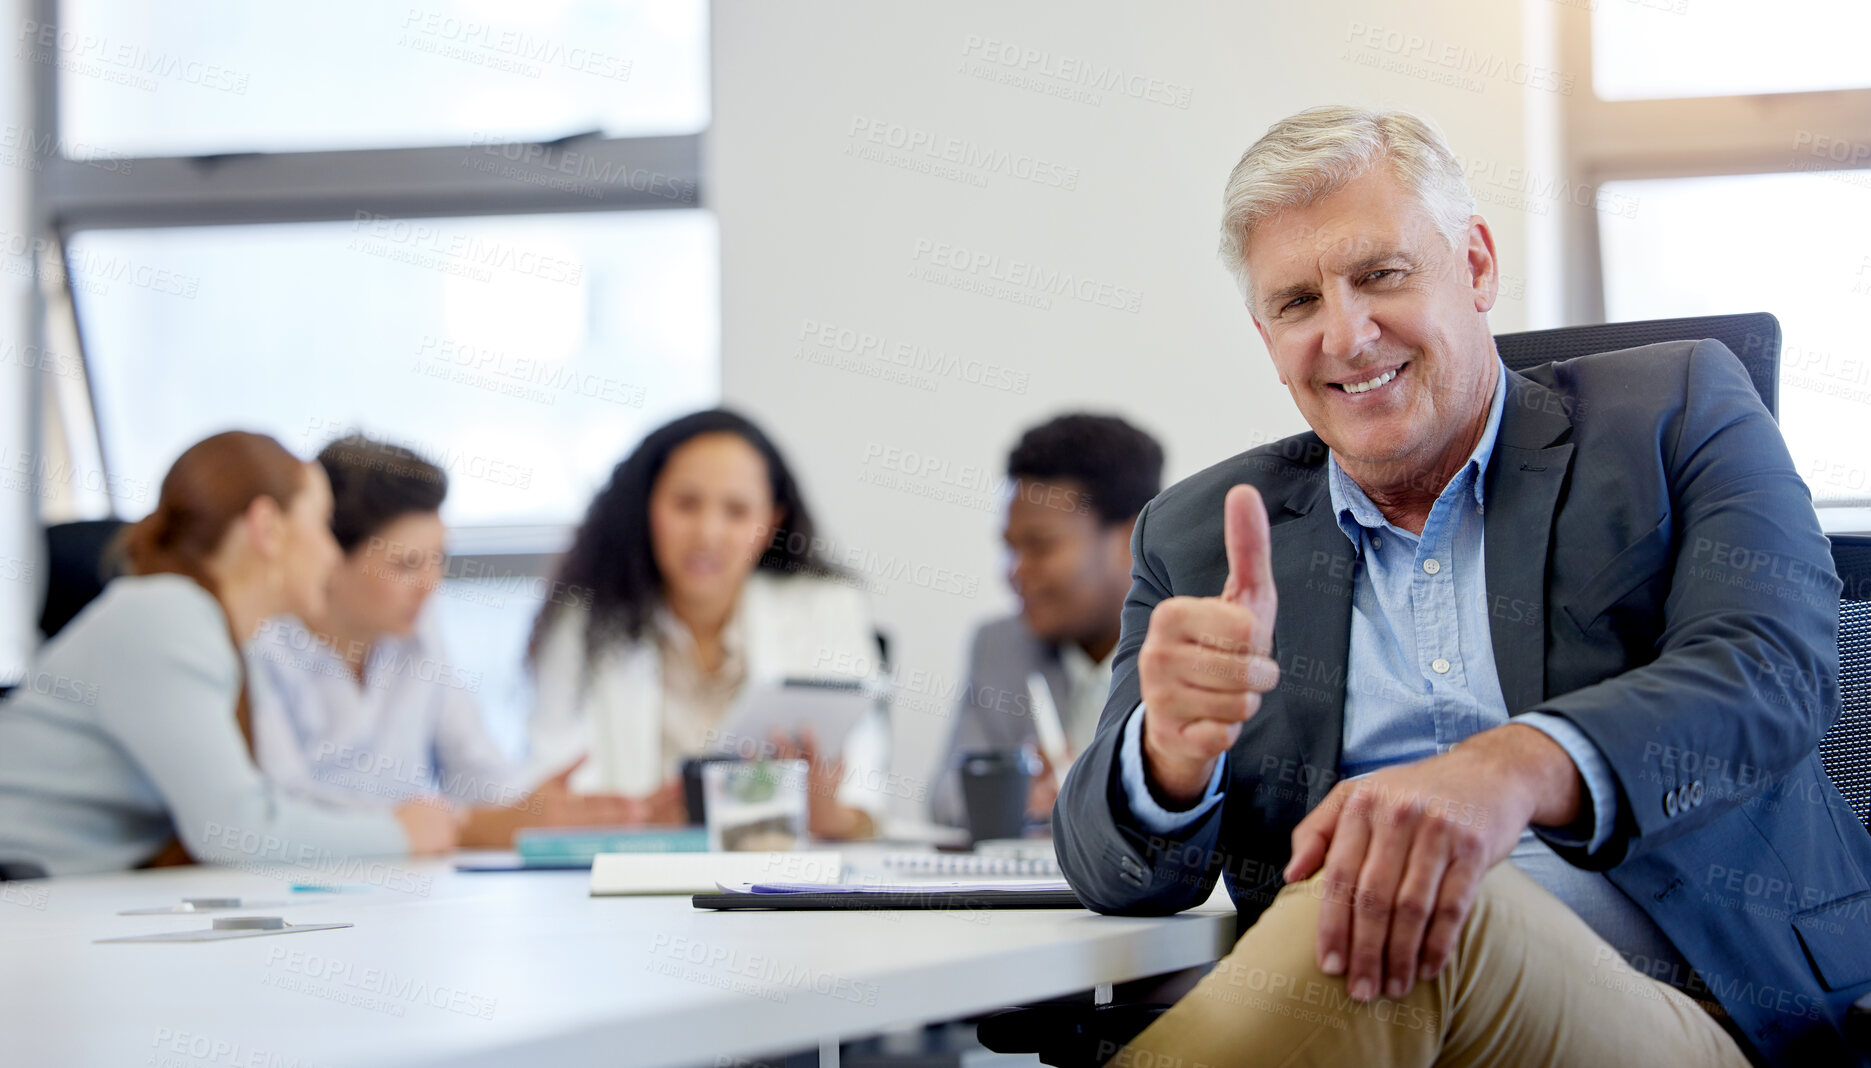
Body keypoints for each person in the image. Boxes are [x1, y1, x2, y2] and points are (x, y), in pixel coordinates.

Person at [1055, 106, 1871, 1067]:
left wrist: (1508, 770)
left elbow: (1771, 672)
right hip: (1365, 1030)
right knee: (1373, 920)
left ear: (1475, 266)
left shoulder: (1677, 409)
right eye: (1296, 304)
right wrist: (1166, 758)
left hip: (1701, 1009)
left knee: (1403, 912)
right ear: (1265, 335)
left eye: (1380, 275)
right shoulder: (1200, 537)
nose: (1347, 336)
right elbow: (1107, 872)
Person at [0, 431, 456, 876]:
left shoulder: (219, 635)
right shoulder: (167, 616)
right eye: (320, 525)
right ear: (267, 528)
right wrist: (400, 834)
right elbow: (235, 829)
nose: (334, 556)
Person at [248, 434, 637, 846]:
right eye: (406, 564)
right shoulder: (262, 643)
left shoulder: (415, 633)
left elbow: (477, 769)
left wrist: (540, 809)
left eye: (438, 559)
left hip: (405, 891)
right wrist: (459, 827)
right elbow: (281, 812)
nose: (430, 586)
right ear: (328, 553)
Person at [526, 409, 887, 839]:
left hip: (780, 879)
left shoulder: (826, 607)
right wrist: (636, 820)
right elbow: (552, 781)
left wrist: (829, 815)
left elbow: (864, 793)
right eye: (685, 504)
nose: (707, 533)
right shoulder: (584, 620)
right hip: (633, 874)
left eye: (736, 511)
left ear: (772, 522)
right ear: (646, 509)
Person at [931, 414, 1163, 828]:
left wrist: (1105, 794)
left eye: (1039, 546)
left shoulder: (1199, 652)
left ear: (1133, 540)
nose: (1013, 570)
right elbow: (949, 797)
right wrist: (1015, 797)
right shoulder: (1000, 645)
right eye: (1009, 547)